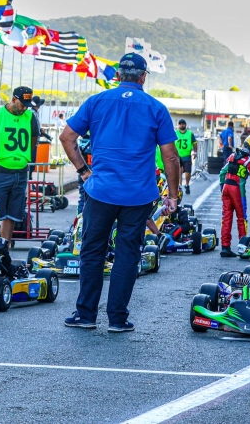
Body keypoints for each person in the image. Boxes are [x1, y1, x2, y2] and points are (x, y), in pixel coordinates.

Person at [59, 53, 180, 332]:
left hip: (100, 191)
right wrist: (172, 195)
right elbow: (171, 156)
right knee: (127, 254)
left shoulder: (96, 101)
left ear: (117, 76)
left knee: (92, 251)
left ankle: (86, 315)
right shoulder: (156, 108)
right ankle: (117, 318)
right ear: (143, 77)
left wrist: (83, 170)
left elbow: (66, 137)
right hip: (138, 195)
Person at [0, 87, 41, 242]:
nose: (24, 108)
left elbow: (33, 140)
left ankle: (4, 247)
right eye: (22, 104)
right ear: (13, 99)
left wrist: (20, 156)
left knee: (12, 215)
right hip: (0, 172)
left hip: (21, 172)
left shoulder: (31, 117)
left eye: (27, 105)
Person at [175, 119, 196, 195]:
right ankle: (180, 186)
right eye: (180, 124)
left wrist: (195, 152)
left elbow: (195, 143)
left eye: (183, 124)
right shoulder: (175, 133)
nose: (181, 125)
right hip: (178, 155)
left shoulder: (190, 133)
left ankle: (187, 184)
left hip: (187, 155)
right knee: (179, 172)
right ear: (178, 125)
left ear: (185, 125)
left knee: (188, 172)